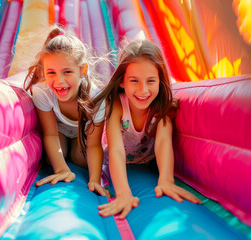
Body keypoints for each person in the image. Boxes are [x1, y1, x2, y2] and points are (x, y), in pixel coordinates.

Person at [91, 38, 202, 219]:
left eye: (151, 81)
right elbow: (116, 150)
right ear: (121, 82)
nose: (143, 91)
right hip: (119, 163)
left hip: (147, 163)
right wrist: (123, 193)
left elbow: (163, 142)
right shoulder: (117, 105)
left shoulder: (161, 107)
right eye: (134, 81)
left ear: (160, 81)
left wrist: (166, 179)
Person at [24, 25, 108, 197]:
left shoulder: (96, 99)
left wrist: (94, 180)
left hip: (82, 135)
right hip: (58, 132)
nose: (59, 81)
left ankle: (73, 152)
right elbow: (50, 134)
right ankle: (64, 158)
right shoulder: (43, 92)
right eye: (51, 72)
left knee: (80, 159)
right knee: (49, 159)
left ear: (82, 70)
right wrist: (61, 169)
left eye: (67, 72)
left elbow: (93, 145)